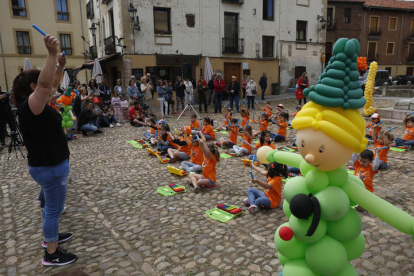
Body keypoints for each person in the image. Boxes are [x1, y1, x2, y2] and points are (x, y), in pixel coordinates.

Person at [12, 35, 77, 265]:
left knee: (51, 206)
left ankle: (51, 236)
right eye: (39, 79)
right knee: (53, 209)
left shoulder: (35, 104)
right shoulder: (31, 106)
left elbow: (52, 85)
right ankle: (51, 253)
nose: (46, 84)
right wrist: (50, 54)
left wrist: (59, 66)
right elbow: (44, 85)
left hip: (47, 164)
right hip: (49, 166)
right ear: (32, 86)